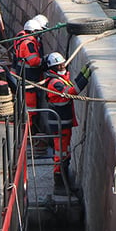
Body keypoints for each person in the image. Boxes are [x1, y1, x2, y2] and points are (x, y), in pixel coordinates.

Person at [42, 52, 79, 180]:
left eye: (63, 64)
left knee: (64, 152)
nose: (63, 67)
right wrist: (85, 76)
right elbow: (72, 92)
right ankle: (59, 180)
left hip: (63, 123)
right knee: (61, 153)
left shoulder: (59, 80)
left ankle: (63, 178)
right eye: (59, 66)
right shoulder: (55, 83)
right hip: (60, 124)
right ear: (53, 68)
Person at [10, 14, 48, 112]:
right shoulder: (29, 43)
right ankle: (27, 126)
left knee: (24, 104)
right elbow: (33, 61)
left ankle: (26, 123)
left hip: (23, 76)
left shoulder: (23, 38)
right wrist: (45, 60)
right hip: (28, 78)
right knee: (29, 107)